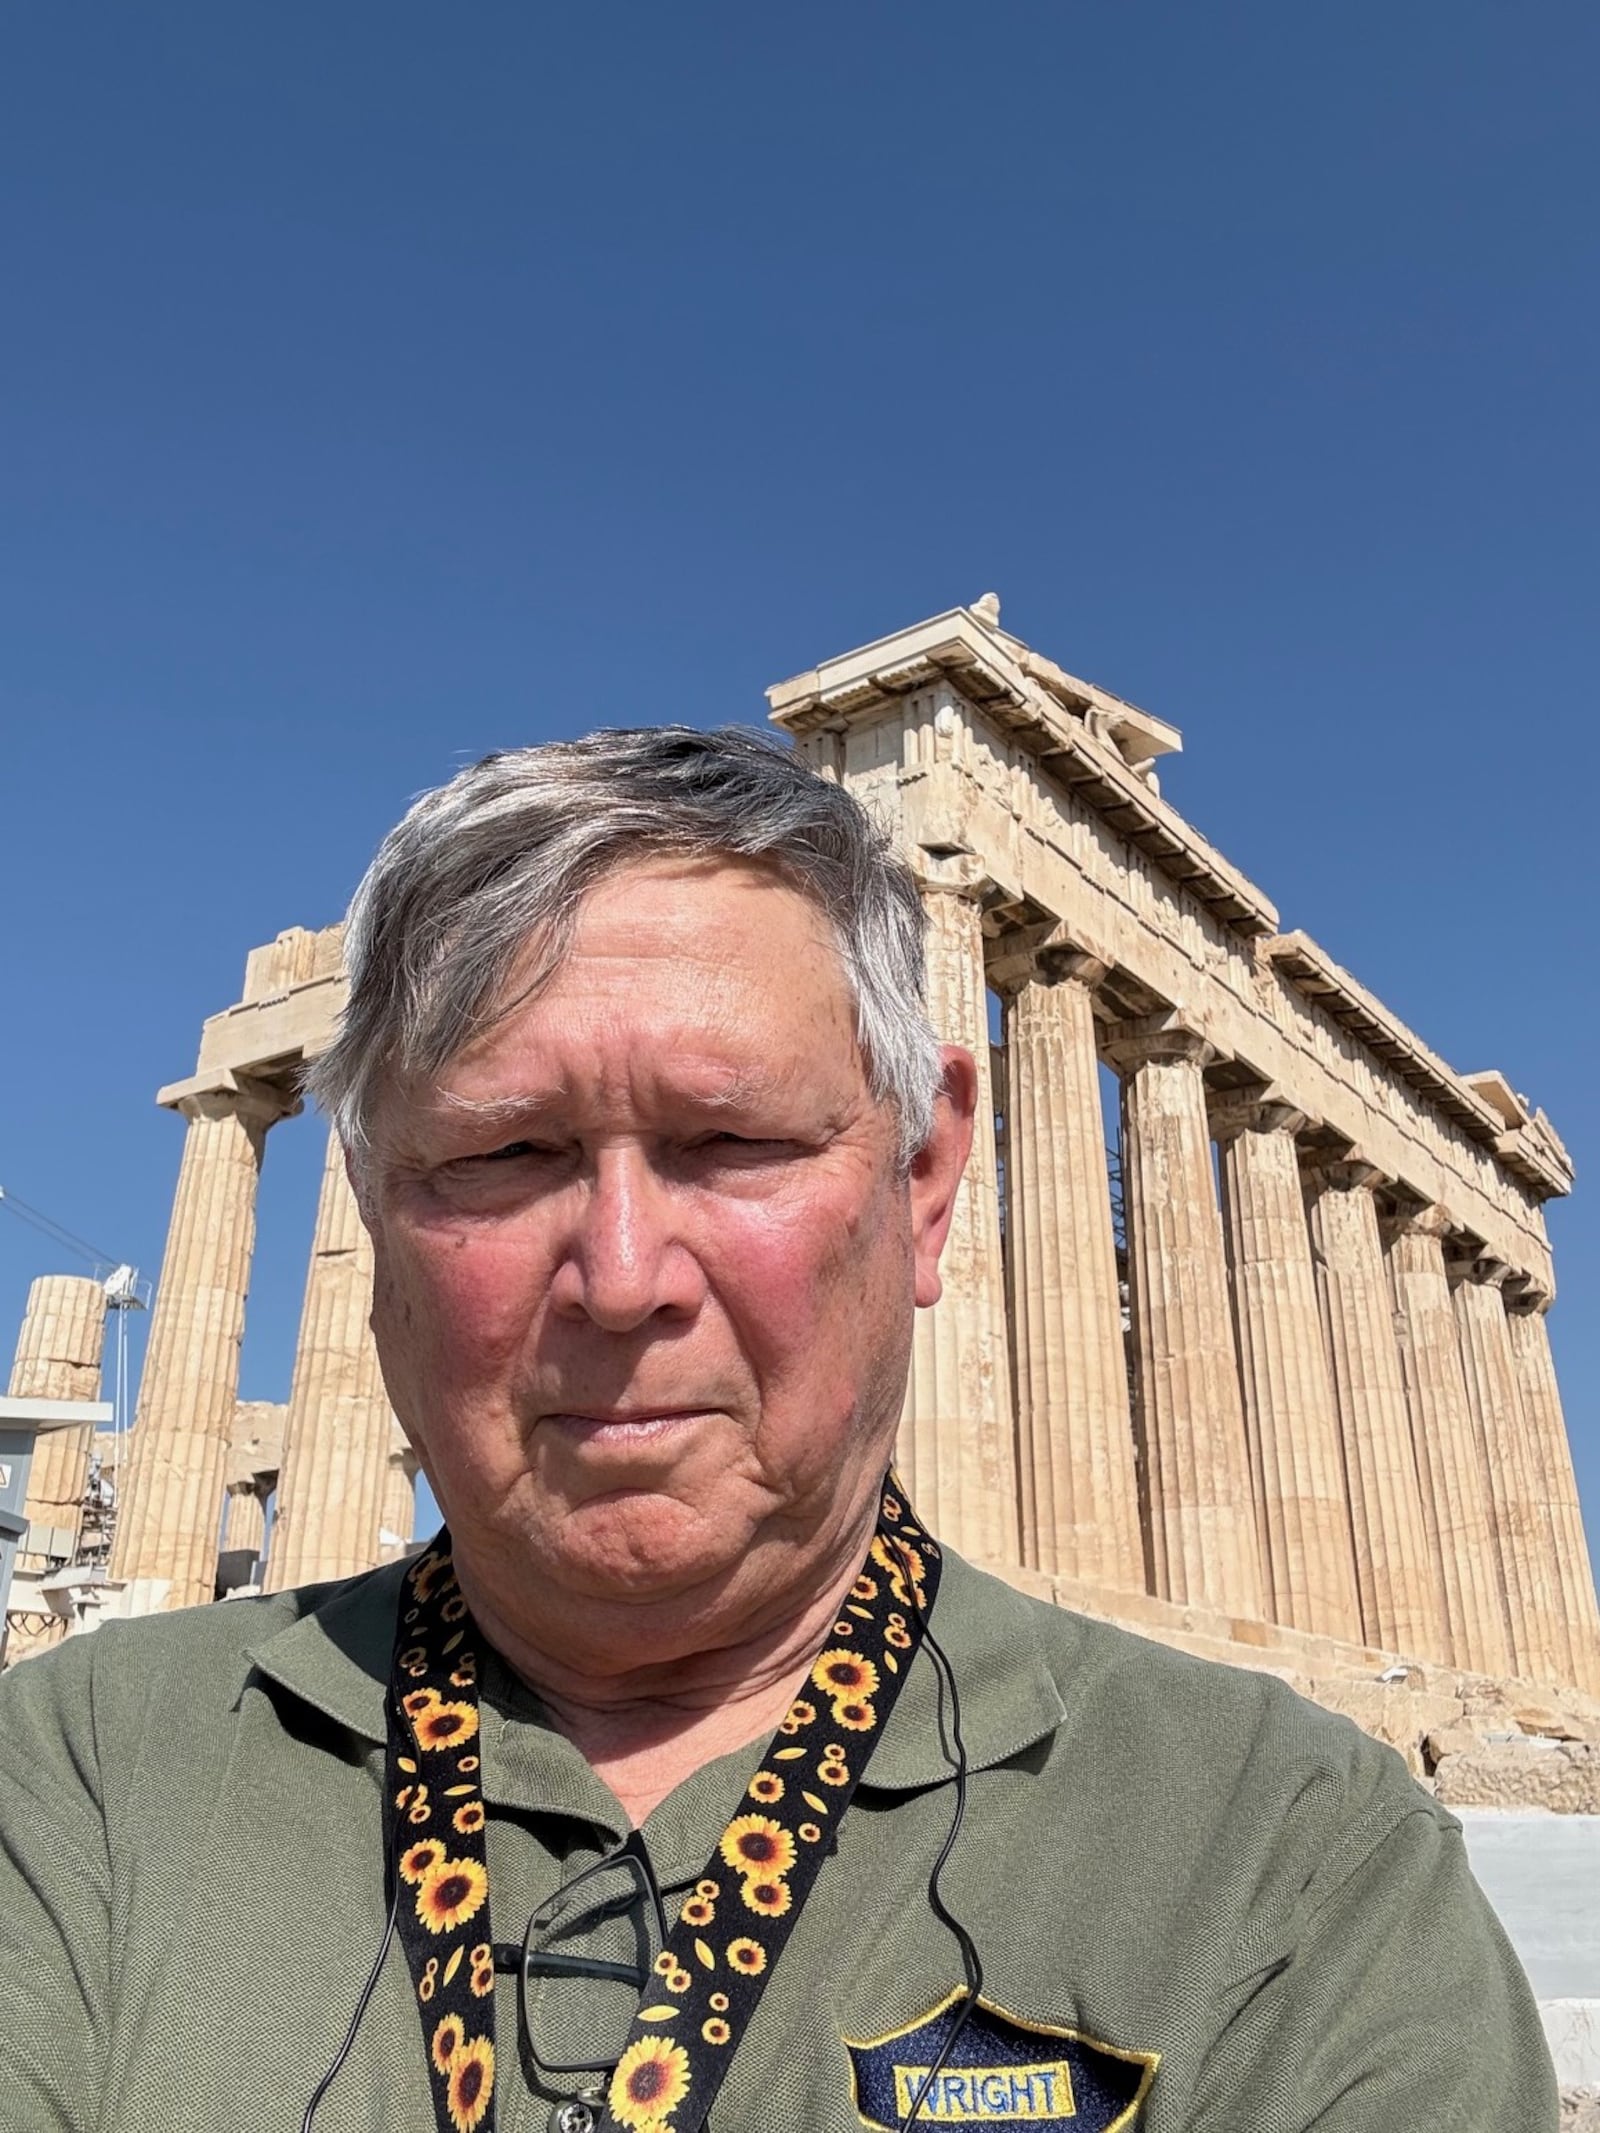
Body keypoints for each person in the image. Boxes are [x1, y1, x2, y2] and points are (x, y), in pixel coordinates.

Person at [0, 729, 1557, 2133]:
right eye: (507, 1149)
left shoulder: (1289, 1871)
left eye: (732, 1140)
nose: (620, 1279)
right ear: (372, 1205)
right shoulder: (75, 1790)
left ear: (928, 1182)